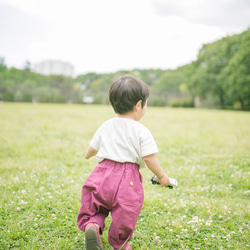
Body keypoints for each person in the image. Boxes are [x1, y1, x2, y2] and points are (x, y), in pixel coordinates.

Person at [77, 75, 170, 250]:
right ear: (138, 105)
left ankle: (93, 225)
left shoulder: (106, 125)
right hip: (128, 178)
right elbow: (149, 157)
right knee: (125, 212)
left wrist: (87, 155)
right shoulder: (141, 130)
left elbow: (92, 148)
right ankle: (119, 245)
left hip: (102, 173)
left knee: (96, 204)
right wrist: (162, 176)